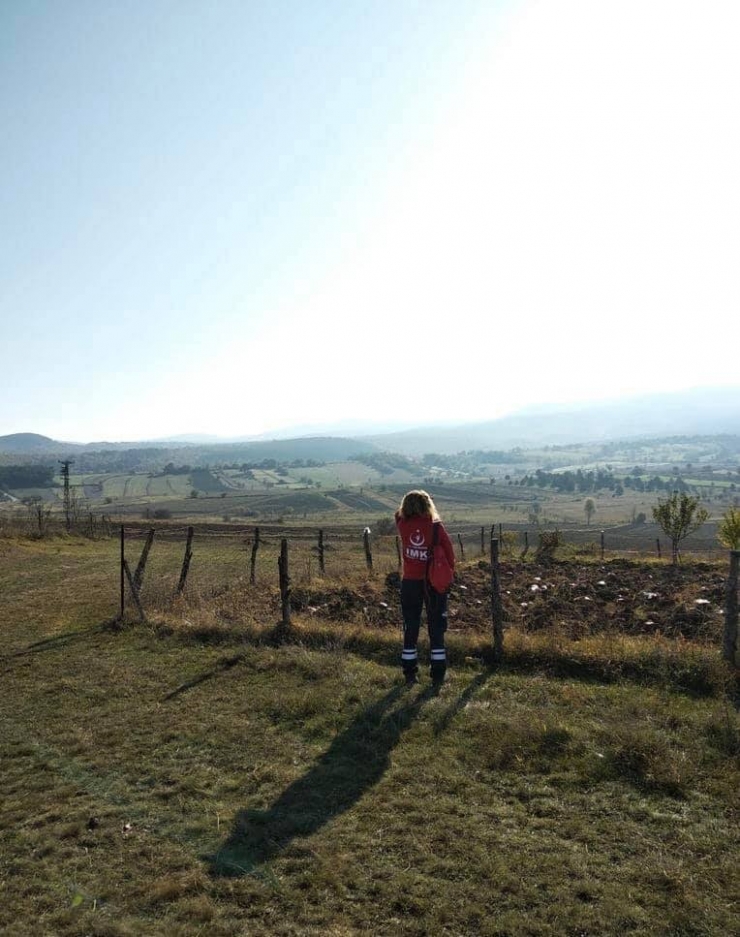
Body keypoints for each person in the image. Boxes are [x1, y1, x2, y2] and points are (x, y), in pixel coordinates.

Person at [395, 490, 455, 685]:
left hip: (409, 582)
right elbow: (450, 555)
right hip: (433, 584)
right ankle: (438, 672)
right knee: (436, 627)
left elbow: (397, 515)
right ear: (428, 505)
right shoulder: (436, 527)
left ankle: (409, 671)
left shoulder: (403, 524)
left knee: (410, 626)